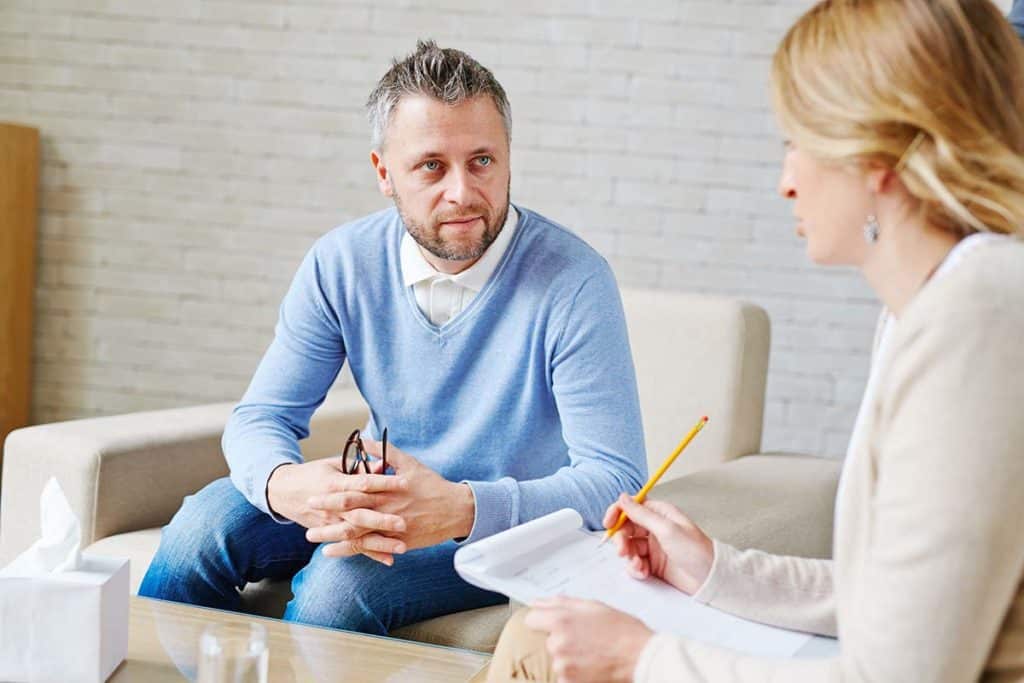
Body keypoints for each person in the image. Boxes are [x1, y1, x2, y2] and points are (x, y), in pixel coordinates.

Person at [486, 1, 1024, 680]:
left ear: (875, 153)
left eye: (796, 143)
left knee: (535, 645)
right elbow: (894, 599)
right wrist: (716, 568)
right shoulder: (928, 310)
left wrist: (639, 658)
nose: (786, 180)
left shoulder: (976, 321)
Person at [138, 40, 647, 636]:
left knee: (338, 587)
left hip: (504, 530)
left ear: (509, 157)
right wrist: (286, 485)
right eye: (432, 166)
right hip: (380, 497)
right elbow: (260, 417)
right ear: (384, 173)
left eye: (482, 160)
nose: (461, 191)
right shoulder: (342, 263)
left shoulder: (575, 280)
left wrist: (458, 507)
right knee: (200, 530)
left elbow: (615, 479)